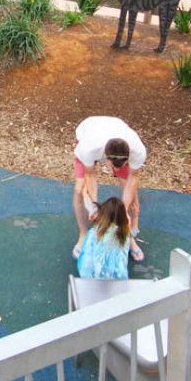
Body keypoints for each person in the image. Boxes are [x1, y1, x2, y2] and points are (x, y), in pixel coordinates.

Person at [72, 115, 146, 261]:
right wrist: (94, 206)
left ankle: (129, 237)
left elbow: (133, 178)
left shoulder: (138, 150)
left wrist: (123, 212)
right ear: (105, 157)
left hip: (117, 129)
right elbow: (90, 175)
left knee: (131, 191)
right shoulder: (88, 148)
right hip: (88, 129)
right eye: (113, 165)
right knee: (80, 189)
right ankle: (83, 234)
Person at [77, 197, 141, 280]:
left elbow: (86, 255)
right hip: (115, 280)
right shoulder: (123, 235)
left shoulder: (93, 232)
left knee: (86, 254)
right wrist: (135, 216)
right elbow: (121, 268)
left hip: (89, 277)